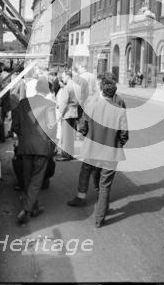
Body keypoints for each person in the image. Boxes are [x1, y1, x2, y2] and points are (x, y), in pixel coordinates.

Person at [67, 73, 128, 228]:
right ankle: (99, 218)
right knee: (105, 184)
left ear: (101, 89)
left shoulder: (91, 106)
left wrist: (88, 137)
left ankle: (85, 197)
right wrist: (115, 143)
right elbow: (124, 135)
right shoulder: (120, 109)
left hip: (92, 149)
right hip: (110, 152)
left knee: (89, 172)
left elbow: (83, 128)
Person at [13, 78, 57, 224]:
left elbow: (15, 126)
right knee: (36, 180)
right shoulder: (49, 105)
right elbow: (52, 128)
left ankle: (33, 207)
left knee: (27, 178)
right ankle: (26, 210)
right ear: (47, 91)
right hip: (42, 148)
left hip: (25, 147)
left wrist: (24, 136)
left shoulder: (23, 103)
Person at [56, 70, 79, 161]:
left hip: (67, 112)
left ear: (68, 76)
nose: (63, 78)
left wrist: (59, 114)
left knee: (65, 135)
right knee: (70, 135)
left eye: (63, 76)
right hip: (74, 112)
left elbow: (64, 103)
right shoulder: (76, 86)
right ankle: (70, 154)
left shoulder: (67, 87)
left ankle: (65, 155)